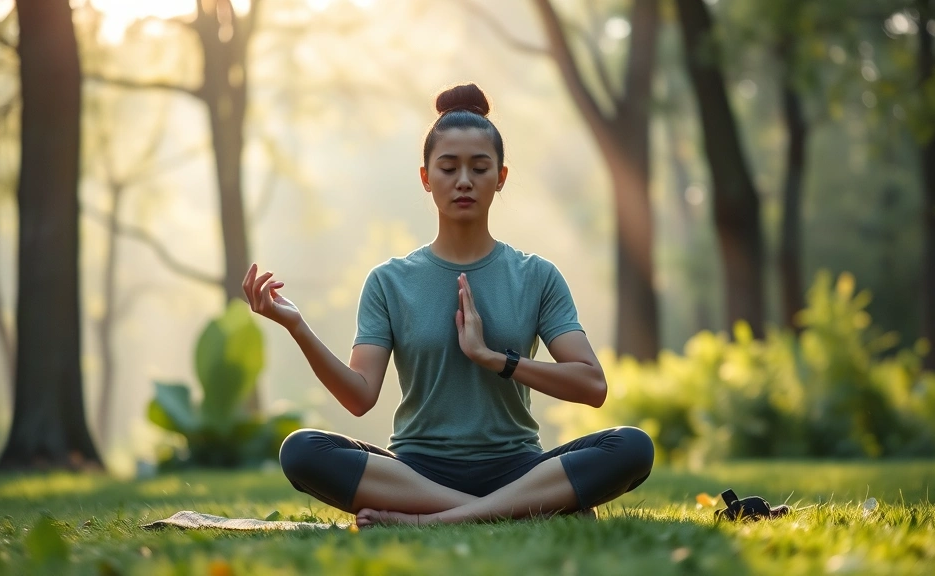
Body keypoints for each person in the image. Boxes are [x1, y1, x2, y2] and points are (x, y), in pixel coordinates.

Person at [243, 83, 653, 528]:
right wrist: (297, 326)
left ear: (500, 177)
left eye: (479, 168)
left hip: (516, 467)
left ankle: (439, 519)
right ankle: (523, 510)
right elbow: (360, 396)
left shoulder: (537, 276)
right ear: (425, 177)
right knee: (302, 450)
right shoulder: (389, 281)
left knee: (631, 447)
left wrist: (494, 359)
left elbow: (592, 386)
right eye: (448, 167)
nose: (463, 181)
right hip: (418, 472)